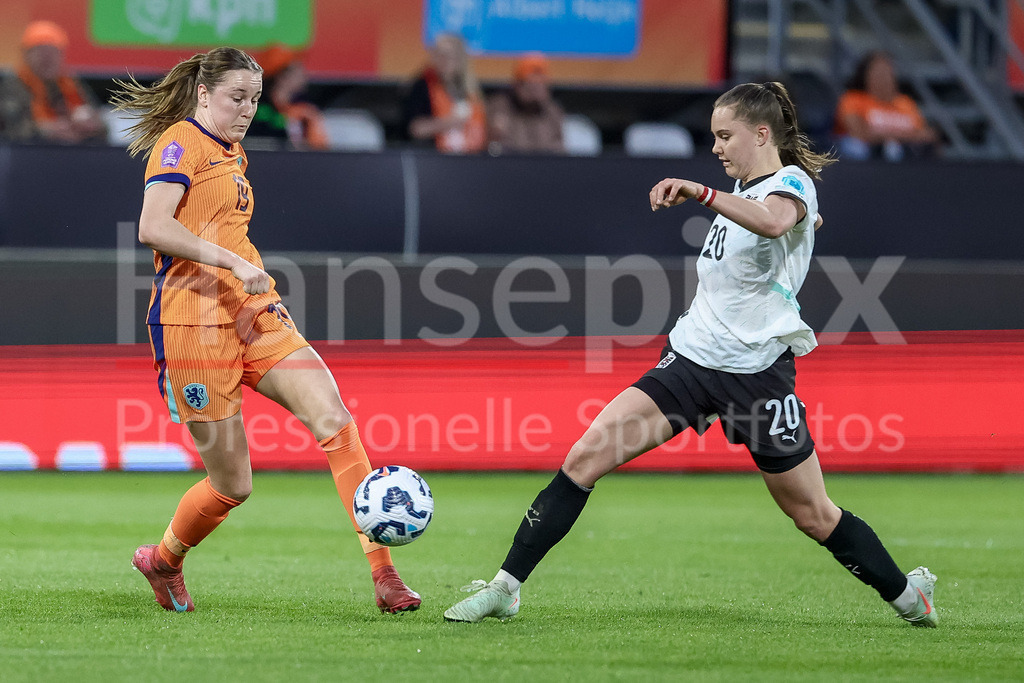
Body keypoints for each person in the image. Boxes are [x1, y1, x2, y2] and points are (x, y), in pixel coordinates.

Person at [444, 82, 938, 628]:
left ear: (762, 132)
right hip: (692, 360)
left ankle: (911, 598)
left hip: (756, 376)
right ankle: (505, 588)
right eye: (713, 137)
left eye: (726, 136)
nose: (717, 148)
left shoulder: (788, 184)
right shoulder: (745, 193)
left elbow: (777, 220)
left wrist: (706, 195)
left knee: (813, 515)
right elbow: (782, 227)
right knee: (584, 459)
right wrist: (790, 223)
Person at [110, 47, 419, 614]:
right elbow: (152, 227)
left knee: (337, 422)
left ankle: (386, 576)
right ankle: (164, 560)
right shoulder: (179, 143)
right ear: (204, 93)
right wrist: (231, 261)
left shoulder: (233, 152)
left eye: (254, 98)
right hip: (191, 323)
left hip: (253, 312)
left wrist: (238, 268)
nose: (249, 109)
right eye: (237, 97)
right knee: (232, 484)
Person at [9, 20, 106, 144]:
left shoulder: (71, 84)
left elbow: (104, 125)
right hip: (27, 155)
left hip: (71, 155)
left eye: (53, 52)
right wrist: (45, 131)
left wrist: (91, 124)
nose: (47, 58)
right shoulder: (12, 85)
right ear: (25, 55)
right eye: (40, 51)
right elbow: (10, 128)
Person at [834, 52, 939, 161]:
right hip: (867, 154)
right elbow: (858, 133)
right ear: (866, 75)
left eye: (887, 72)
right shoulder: (853, 99)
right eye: (878, 72)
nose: (883, 78)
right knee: (855, 147)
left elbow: (926, 134)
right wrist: (900, 136)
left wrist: (886, 136)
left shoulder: (905, 103)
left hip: (903, 153)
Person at [403, 33, 487, 154]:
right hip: (436, 157)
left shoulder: (471, 92)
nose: (443, 61)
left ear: (460, 59)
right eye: (439, 55)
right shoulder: (422, 87)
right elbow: (415, 129)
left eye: (449, 56)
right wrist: (450, 122)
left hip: (470, 158)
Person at [246, 43, 329, 151]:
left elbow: (320, 150)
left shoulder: (306, 109)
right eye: (296, 69)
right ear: (282, 76)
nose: (303, 74)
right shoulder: (253, 109)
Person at [487, 53, 564, 155]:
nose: (534, 90)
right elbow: (498, 146)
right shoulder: (500, 106)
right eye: (529, 83)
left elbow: (558, 149)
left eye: (539, 83)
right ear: (516, 85)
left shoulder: (552, 112)